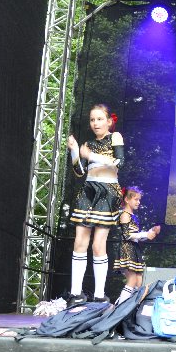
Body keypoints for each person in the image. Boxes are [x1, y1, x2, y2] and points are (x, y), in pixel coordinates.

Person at [66, 103, 124, 305]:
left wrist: (91, 156)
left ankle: (99, 295)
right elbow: (79, 172)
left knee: (99, 244)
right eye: (92, 119)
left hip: (108, 192)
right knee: (79, 241)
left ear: (109, 121)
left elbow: (120, 162)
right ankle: (75, 293)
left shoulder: (115, 137)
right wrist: (75, 151)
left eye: (100, 119)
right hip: (88, 191)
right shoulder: (88, 144)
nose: (95, 123)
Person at [115, 187, 160, 303]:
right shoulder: (125, 215)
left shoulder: (133, 216)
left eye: (139, 200)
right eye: (136, 199)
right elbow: (127, 235)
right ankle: (121, 307)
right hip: (127, 249)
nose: (138, 202)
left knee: (139, 282)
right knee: (132, 280)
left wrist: (150, 232)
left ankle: (133, 306)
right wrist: (145, 234)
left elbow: (136, 236)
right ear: (127, 199)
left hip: (134, 249)